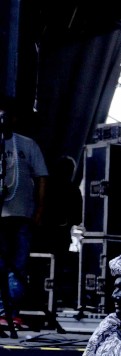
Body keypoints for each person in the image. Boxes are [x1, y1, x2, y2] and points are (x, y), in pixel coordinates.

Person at [0, 96, 48, 332]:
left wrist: (39, 209)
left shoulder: (27, 145)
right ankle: (1, 311)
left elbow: (41, 177)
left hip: (21, 216)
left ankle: (11, 313)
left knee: (18, 265)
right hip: (1, 214)